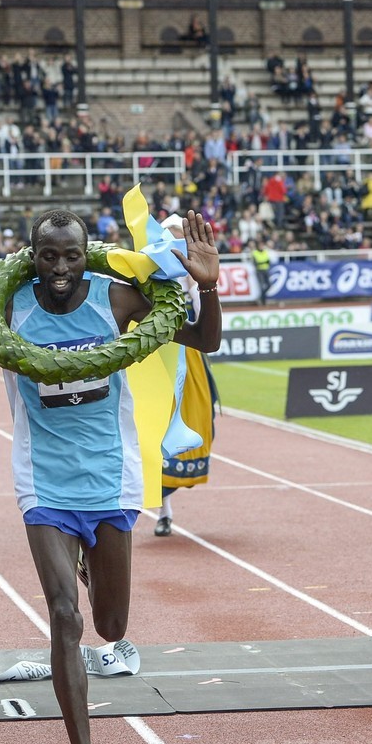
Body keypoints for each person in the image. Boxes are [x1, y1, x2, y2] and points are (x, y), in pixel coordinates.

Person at [0, 207, 220, 744]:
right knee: (64, 617)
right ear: (31, 257)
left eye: (72, 255)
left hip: (110, 478)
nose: (63, 267)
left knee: (111, 627)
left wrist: (205, 284)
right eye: (50, 256)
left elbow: (206, 340)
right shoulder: (10, 305)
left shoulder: (117, 299)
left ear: (85, 254)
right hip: (42, 481)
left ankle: (93, 568)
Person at [150, 214, 219, 537]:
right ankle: (162, 509)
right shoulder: (152, 272)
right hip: (158, 356)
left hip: (188, 356)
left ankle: (165, 502)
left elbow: (207, 324)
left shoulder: (194, 275)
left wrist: (200, 287)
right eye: (173, 236)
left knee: (199, 418)